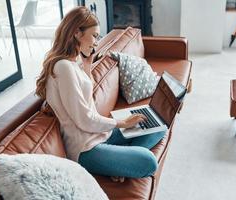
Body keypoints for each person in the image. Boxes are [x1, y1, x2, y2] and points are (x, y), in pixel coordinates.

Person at [35, 6, 165, 182]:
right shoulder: (63, 67)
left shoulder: (74, 63)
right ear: (76, 33)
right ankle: (121, 162)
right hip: (85, 149)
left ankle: (119, 167)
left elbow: (87, 105)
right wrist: (121, 123)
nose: (97, 41)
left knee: (158, 126)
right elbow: (84, 118)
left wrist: (87, 69)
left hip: (100, 134)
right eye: (95, 35)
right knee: (148, 162)